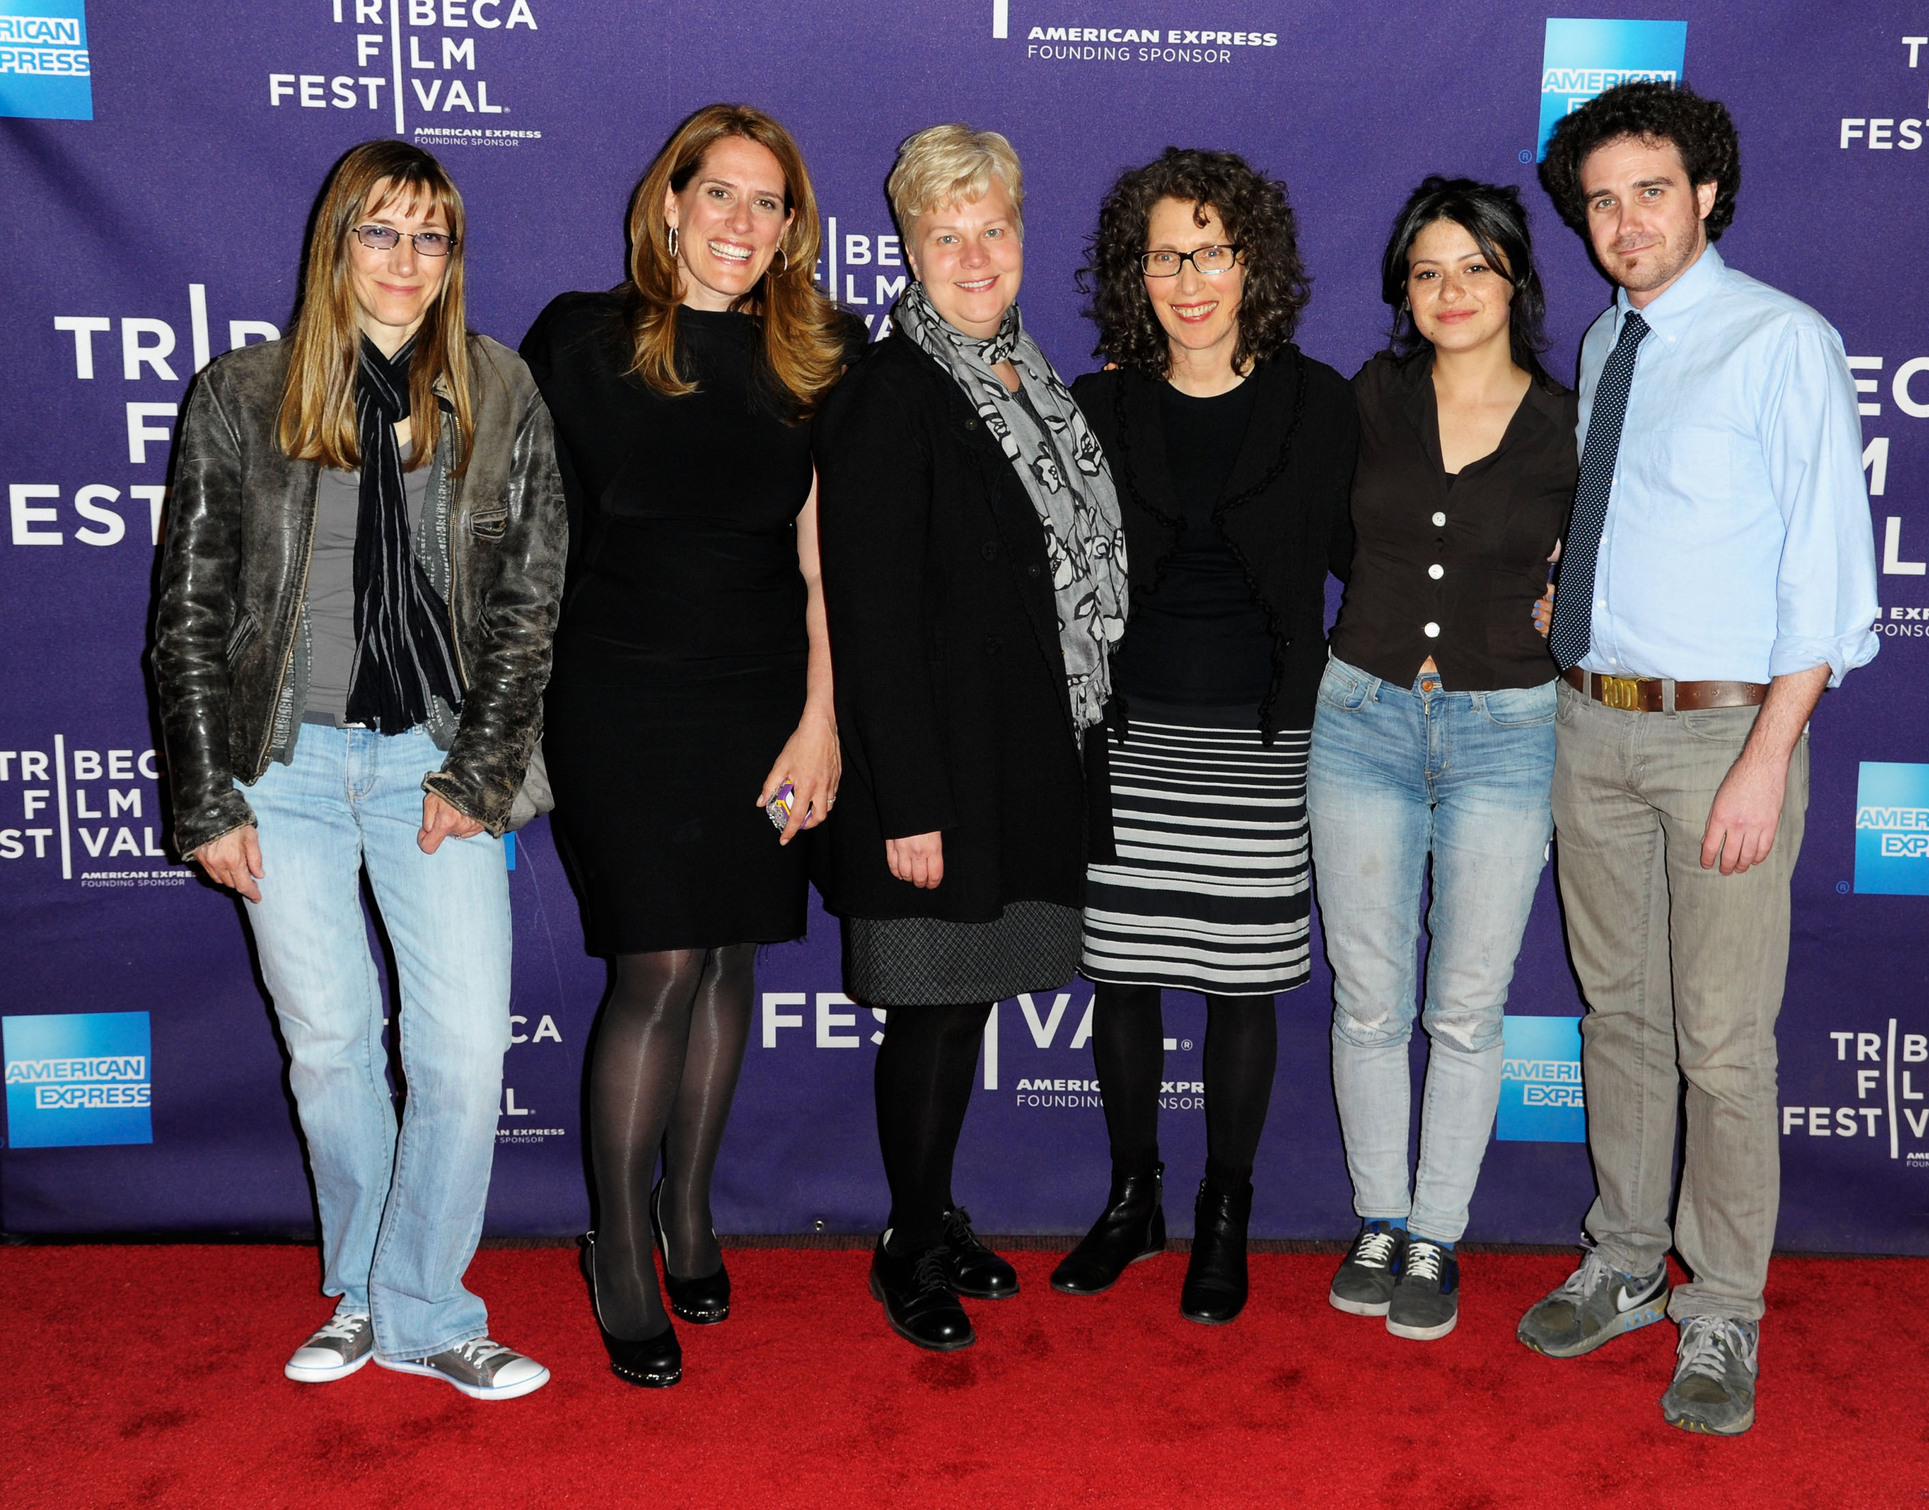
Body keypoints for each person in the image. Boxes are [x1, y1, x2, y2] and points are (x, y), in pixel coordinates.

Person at [154, 140, 565, 1400]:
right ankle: (368, 1289)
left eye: (430, 237)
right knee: (331, 1046)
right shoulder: (246, 392)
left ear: (454, 257)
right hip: (280, 770)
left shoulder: (498, 390)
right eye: (379, 233)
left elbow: (527, 602)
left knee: (455, 1057)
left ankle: (423, 1308)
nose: (405, 261)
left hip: (434, 763)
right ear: (336, 246)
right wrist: (208, 792)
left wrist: (480, 772)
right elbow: (191, 608)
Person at [1518, 82, 1879, 1435]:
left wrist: (1767, 754)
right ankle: (1624, 1256)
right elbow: (1651, 516)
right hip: (1591, 720)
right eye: (1602, 199)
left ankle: (1720, 1302)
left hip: (1728, 733)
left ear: (1707, 192)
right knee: (1621, 1016)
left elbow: (1828, 580)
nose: (1625, 221)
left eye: (1650, 190)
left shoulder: (1782, 340)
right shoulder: (1613, 345)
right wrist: (1575, 591)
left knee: (1723, 1045)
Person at [520, 103, 856, 1389]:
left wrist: (820, 719)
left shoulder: (820, 353)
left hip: (764, 691)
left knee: (728, 957)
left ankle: (688, 1212)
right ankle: (615, 1246)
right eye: (719, 194)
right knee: (659, 961)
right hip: (615, 693)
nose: (741, 224)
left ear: (791, 230)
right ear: (668, 203)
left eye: (768, 205)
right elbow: (514, 529)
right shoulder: (576, 340)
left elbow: (824, 562)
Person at [815, 124, 1127, 1353]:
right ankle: (905, 1241)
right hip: (932, 775)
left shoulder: (1028, 378)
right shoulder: (892, 389)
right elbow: (874, 616)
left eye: (991, 226)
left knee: (974, 1000)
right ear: (906, 245)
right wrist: (908, 804)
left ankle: (937, 1210)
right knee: (933, 1011)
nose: (973, 252)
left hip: (1025, 760)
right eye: (944, 234)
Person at [1055, 147, 1358, 1325]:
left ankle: (1223, 1211)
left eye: (1212, 252)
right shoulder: (1093, 407)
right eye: (1166, 255)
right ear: (1137, 272)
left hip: (1262, 738)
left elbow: (1369, 558)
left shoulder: (1317, 401)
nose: (1189, 279)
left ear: (1252, 265)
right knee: (1122, 979)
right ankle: (1135, 1202)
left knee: (1242, 987)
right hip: (1122, 735)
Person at [1309, 178, 1577, 1343]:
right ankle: (1376, 1217)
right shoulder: (1365, 399)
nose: (1450, 290)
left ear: (1514, 278)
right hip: (1358, 718)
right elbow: (1308, 521)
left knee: (1465, 1011)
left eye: (1473, 266)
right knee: (1369, 1002)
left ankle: (1434, 1236)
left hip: (1508, 733)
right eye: (1426, 271)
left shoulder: (1573, 422)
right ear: (1401, 292)